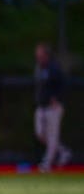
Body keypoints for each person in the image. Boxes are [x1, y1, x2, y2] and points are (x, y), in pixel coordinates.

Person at [34, 43, 71, 172]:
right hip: (41, 106)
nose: (38, 56)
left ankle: (47, 164)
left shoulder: (54, 68)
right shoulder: (39, 67)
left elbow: (63, 85)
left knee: (52, 136)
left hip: (53, 107)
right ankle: (63, 151)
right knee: (40, 133)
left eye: (40, 54)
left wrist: (58, 98)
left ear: (46, 55)